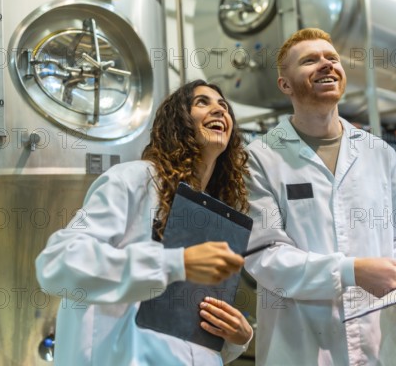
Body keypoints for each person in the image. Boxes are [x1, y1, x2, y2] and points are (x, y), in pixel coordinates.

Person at [243, 28, 396, 365]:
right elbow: (264, 256)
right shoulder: (260, 157)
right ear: (285, 85)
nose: (326, 65)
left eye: (332, 59)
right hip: (302, 345)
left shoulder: (378, 152)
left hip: (377, 341)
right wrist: (351, 272)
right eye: (310, 60)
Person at [36, 80, 253, 365]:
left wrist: (236, 337)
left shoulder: (217, 214)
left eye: (223, 106)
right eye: (203, 102)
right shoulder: (134, 180)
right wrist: (174, 263)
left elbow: (184, 335)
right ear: (179, 122)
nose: (218, 110)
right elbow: (58, 262)